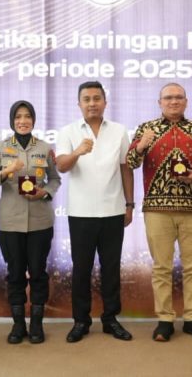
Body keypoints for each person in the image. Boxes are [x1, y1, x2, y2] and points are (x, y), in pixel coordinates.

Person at [127, 83, 192, 342]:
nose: (174, 102)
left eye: (179, 97)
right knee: (161, 267)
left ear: (186, 102)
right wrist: (141, 146)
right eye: (168, 98)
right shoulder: (147, 129)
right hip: (157, 210)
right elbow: (131, 162)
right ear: (160, 102)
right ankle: (165, 320)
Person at [56, 81, 135, 343]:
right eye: (86, 99)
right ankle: (81, 321)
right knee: (82, 269)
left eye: (96, 98)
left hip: (113, 210)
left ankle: (111, 319)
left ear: (105, 102)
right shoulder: (68, 131)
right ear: (79, 104)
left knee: (111, 269)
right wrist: (78, 151)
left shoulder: (119, 131)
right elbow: (62, 166)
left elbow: (126, 167)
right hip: (81, 213)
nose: (92, 103)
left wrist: (129, 204)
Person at [0, 100, 61, 344]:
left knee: (38, 273)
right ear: (12, 120)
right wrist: (7, 171)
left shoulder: (45, 148)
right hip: (10, 222)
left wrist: (44, 192)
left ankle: (36, 325)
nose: (23, 120)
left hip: (40, 220)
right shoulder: (0, 149)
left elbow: (55, 179)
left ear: (33, 120)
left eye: (27, 116)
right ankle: (18, 326)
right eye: (18, 116)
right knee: (15, 274)